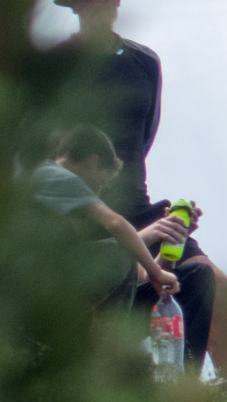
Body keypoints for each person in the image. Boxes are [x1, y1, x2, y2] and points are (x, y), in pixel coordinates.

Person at [47, 0, 227, 378]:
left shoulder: (144, 63)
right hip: (80, 210)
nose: (99, 4)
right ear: (75, 7)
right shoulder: (55, 66)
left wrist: (169, 212)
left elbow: (142, 138)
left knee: (218, 285)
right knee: (154, 285)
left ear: (118, 1)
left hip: (135, 205)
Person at [30, 125, 180, 306]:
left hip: (42, 277)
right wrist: (157, 272)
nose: (97, 192)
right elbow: (116, 224)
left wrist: (167, 249)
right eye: (101, 183)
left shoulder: (57, 196)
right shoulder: (56, 175)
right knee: (120, 256)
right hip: (33, 277)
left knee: (122, 258)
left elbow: (140, 276)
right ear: (92, 162)